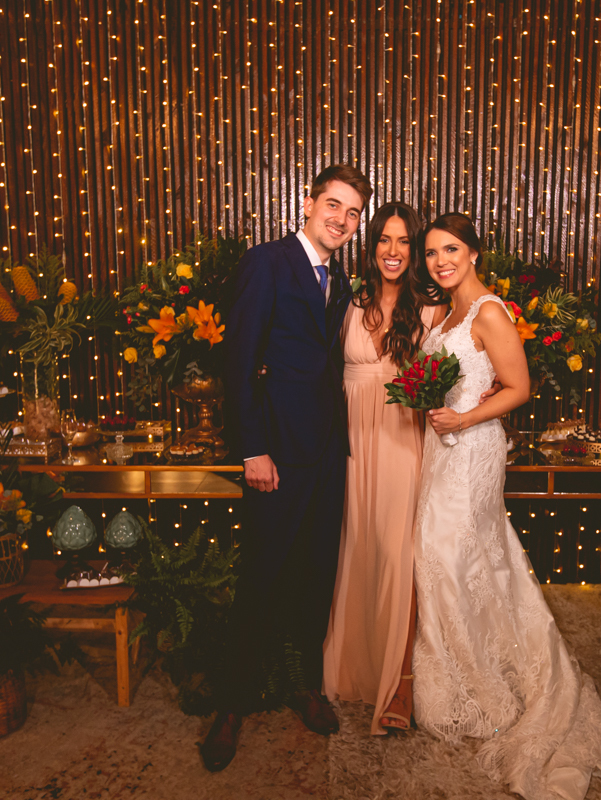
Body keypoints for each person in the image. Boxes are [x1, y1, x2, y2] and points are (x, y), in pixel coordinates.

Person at [412, 213, 601, 799]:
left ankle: (481, 681)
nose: (440, 261)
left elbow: (520, 388)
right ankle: (461, 669)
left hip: (472, 449)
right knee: (451, 557)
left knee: (449, 555)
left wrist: (463, 418)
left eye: (451, 249)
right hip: (440, 447)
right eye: (431, 253)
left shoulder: (489, 312)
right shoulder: (446, 313)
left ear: (474, 253)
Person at [202, 165, 372, 772]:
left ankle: (304, 686)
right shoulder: (267, 262)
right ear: (307, 203)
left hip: (327, 452)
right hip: (275, 453)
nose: (342, 220)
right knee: (263, 579)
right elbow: (239, 360)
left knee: (314, 576)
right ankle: (231, 705)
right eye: (333, 205)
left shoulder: (340, 277)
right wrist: (253, 449)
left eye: (353, 213)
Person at [322, 202, 445, 734]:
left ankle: (401, 681)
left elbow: (459, 371)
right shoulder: (347, 301)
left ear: (415, 250)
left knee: (398, 556)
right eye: (383, 240)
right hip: (348, 439)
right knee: (354, 549)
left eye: (404, 242)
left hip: (401, 439)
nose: (392, 251)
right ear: (370, 245)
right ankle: (350, 666)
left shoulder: (431, 309)